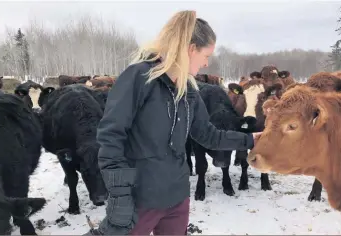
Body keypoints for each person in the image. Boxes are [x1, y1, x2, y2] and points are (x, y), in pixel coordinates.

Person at [83, 10, 262, 236]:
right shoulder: (138, 77)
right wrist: (120, 196)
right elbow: (110, 137)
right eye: (206, 56)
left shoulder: (188, 91)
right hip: (140, 199)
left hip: (177, 199)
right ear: (190, 49)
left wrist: (249, 139)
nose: (207, 64)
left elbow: (209, 135)